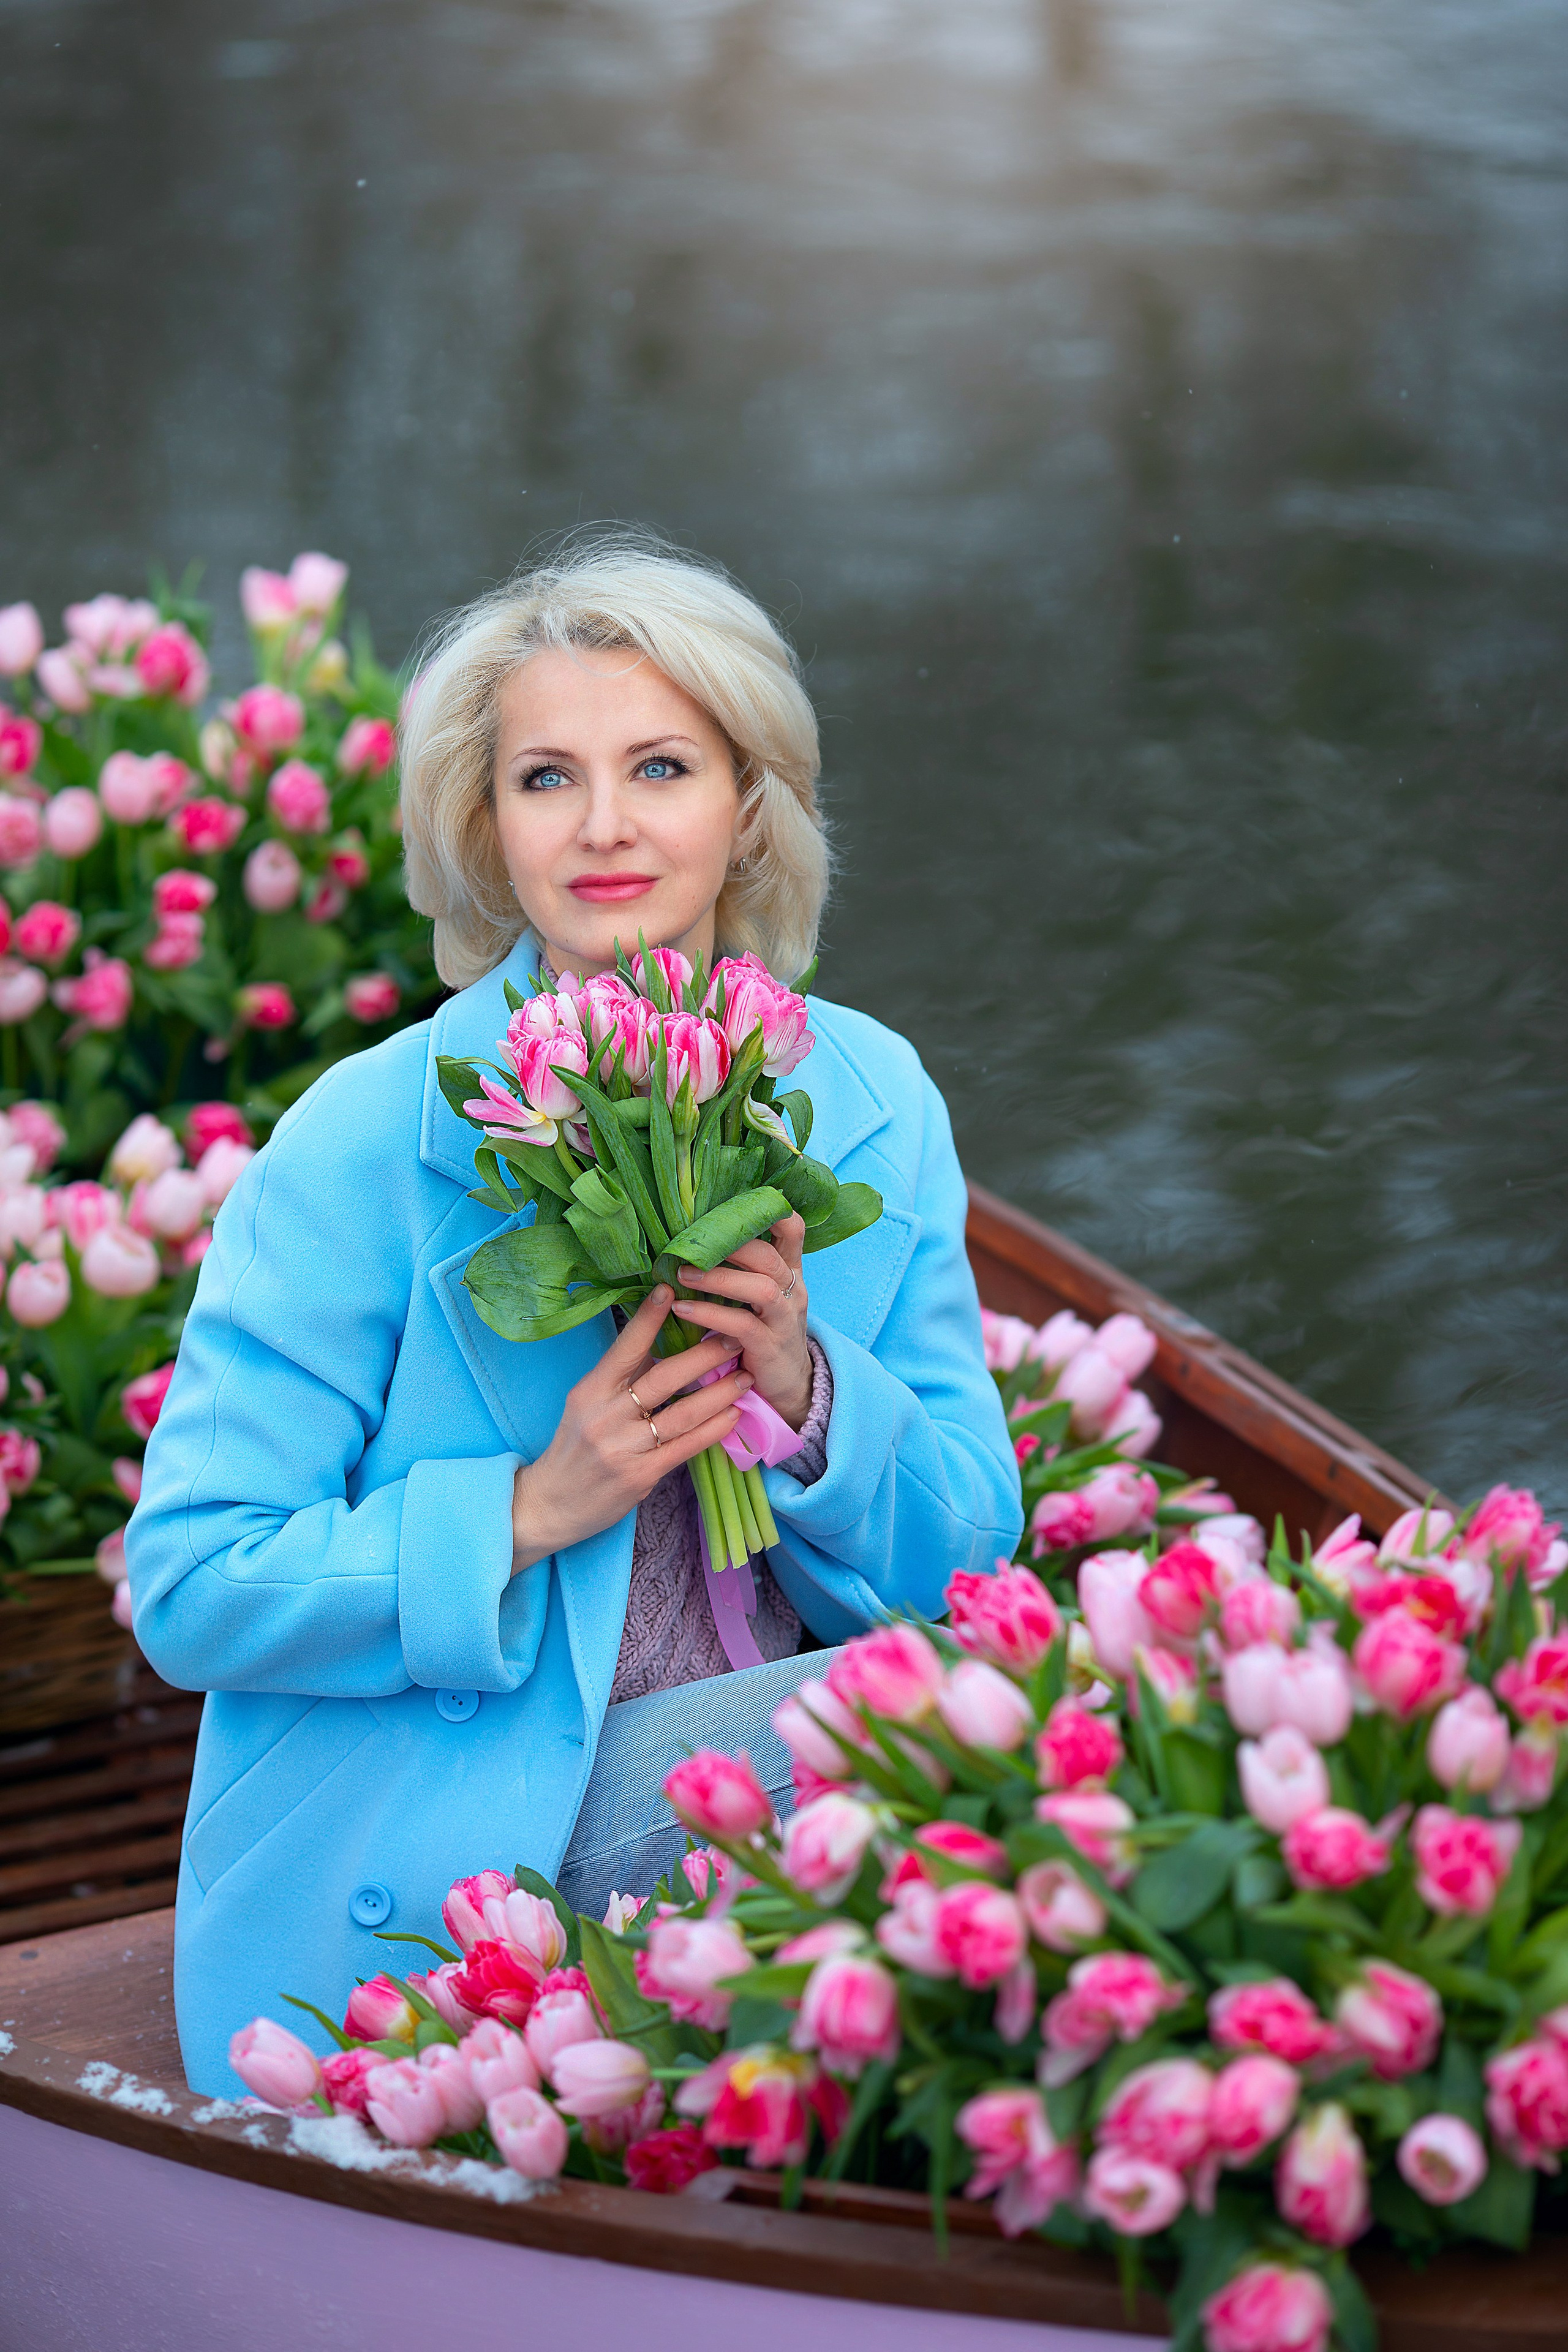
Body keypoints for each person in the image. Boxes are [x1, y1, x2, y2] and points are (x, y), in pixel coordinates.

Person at [126, 534, 1022, 2095]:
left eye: (660, 767)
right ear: (488, 826)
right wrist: (531, 1509)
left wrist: (806, 1391)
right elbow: (194, 1587)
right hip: (457, 1844)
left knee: (985, 1704)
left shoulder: (870, 1097)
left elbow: (968, 1553)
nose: (605, 826)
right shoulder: (363, 1139)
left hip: (755, 1795)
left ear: (748, 804)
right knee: (973, 1720)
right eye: (547, 779)